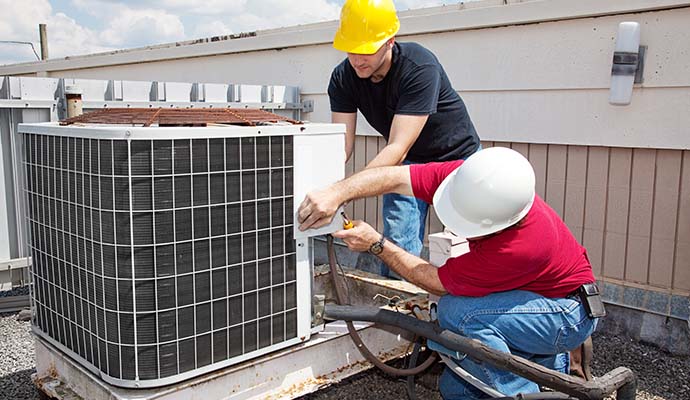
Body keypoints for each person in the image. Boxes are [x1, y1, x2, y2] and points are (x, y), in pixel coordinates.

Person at [298, 147, 601, 399]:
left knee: (458, 313)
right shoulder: (471, 179)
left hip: (566, 314)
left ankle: (525, 390)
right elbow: (392, 176)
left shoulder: (520, 246)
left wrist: (376, 244)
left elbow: (436, 282)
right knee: (456, 390)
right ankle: (541, 364)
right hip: (534, 297)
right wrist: (336, 193)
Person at [329, 0, 481, 277]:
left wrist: (346, 189)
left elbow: (397, 147)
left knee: (467, 245)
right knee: (397, 243)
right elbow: (342, 145)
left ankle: (463, 309)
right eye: (351, 49)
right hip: (410, 164)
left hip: (458, 159)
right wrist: (327, 186)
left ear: (390, 41)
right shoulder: (343, 77)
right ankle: (400, 310)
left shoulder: (419, 66)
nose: (357, 59)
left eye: (366, 49)